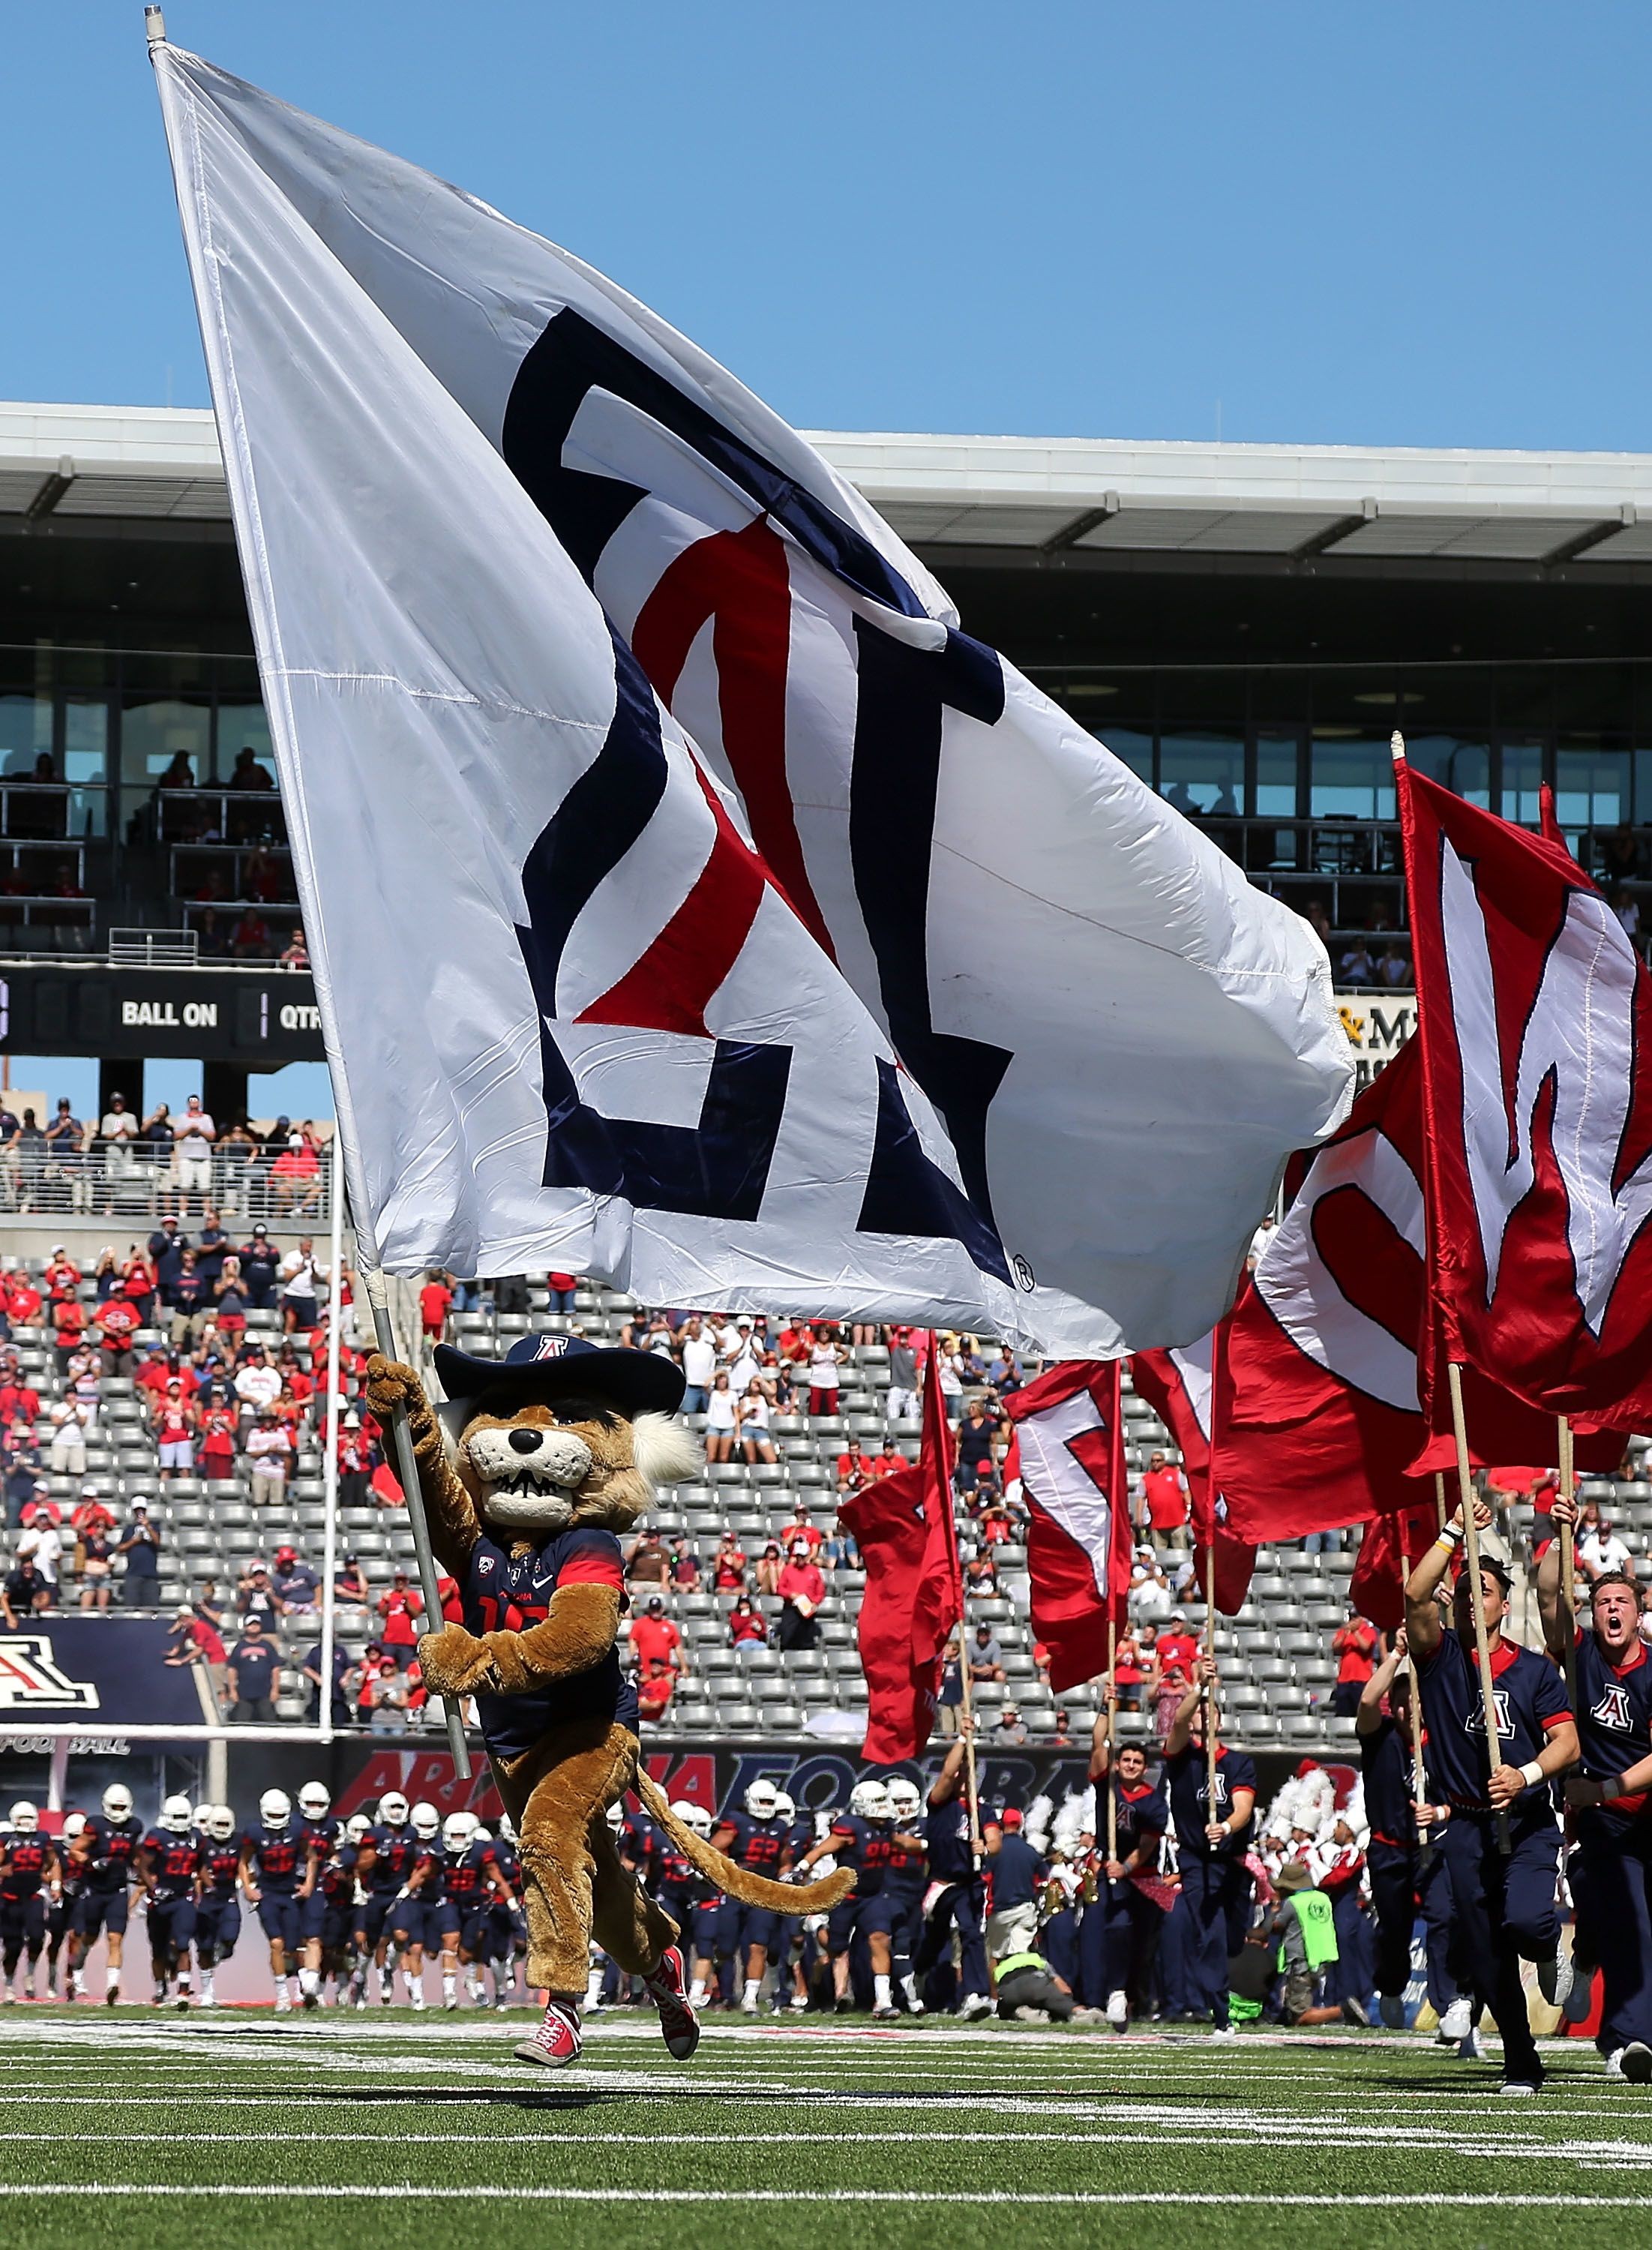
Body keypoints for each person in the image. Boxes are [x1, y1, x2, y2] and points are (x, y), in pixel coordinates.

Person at [1405, 1496, 1579, 2096]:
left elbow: (1566, 1742)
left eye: (1483, 1589)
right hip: (1468, 1828)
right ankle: (1520, 2060)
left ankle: (1548, 1945)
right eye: (1463, 1589)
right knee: (1484, 1953)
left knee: (1527, 1922)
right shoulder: (1440, 1658)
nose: (1469, 1596)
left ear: (1504, 1605)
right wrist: (1454, 1531)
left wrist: (1526, 1774)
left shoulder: (1532, 1670)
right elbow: (1412, 1594)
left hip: (1527, 1819)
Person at [1540, 1486, 1652, 2081]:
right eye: (1602, 1601)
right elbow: (1547, 1595)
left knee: (1632, 1922)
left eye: (1621, 1602)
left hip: (1633, 1806)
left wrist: (1607, 1789)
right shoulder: (1580, 1656)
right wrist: (1560, 1540)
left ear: (1638, 1611)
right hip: (1598, 1821)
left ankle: (1585, 1958)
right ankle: (1628, 2041)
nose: (1611, 1610)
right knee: (1627, 1914)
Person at [1357, 1631, 1464, 2036]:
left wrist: (1438, 1811)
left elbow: (1465, 1799)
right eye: (1399, 1701)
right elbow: (1368, 1702)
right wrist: (1398, 1654)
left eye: (1412, 1700)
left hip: (1433, 1848)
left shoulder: (1442, 1742)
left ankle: (1448, 2001)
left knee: (1443, 1919)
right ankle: (1391, 1986)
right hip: (1389, 1850)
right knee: (1395, 1930)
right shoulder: (1379, 1737)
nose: (1405, 1708)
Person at [1162, 1655, 1257, 2037]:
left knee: (1233, 1938)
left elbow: (1244, 1808)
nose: (1204, 1718)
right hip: (1196, 1858)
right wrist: (1199, 1687)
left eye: (1210, 1713)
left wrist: (1227, 1825)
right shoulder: (1181, 1757)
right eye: (1200, 1713)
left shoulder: (1237, 1762)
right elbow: (1180, 1722)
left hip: (1231, 1860)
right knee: (1211, 1935)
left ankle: (1221, 1993)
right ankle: (1221, 2015)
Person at [1086, 1710, 1169, 2024]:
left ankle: (1139, 1998)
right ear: (1118, 1763)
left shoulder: (1153, 1801)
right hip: (1109, 1869)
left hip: (1141, 1875)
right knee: (1115, 1928)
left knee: (1144, 1940)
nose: (1131, 1766)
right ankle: (1112, 1992)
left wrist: (1127, 1866)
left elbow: (1148, 1843)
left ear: (1145, 1768)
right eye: (1126, 1760)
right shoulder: (1106, 1785)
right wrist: (1108, 1710)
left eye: (1137, 1762)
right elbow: (1097, 1746)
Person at [67, 1782, 143, 2003]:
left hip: (118, 1890)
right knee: (89, 1937)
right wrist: (93, 1862)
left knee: (115, 1938)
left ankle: (112, 1984)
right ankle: (78, 1972)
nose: (119, 1813)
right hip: (95, 1890)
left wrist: (140, 1871)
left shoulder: (134, 1826)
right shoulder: (95, 1825)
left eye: (122, 1808)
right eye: (115, 1808)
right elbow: (75, 1851)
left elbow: (134, 1854)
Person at [226, 1615, 280, 1721]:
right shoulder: (240, 1647)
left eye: (256, 1624)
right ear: (246, 1627)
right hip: (244, 1693)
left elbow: (275, 1669)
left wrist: (275, 1689)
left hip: (265, 1692)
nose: (254, 1627)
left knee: (269, 1722)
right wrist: (232, 1690)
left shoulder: (267, 1646)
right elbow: (232, 1669)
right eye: (251, 1624)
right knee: (242, 1722)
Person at [1331, 1606, 1383, 1718]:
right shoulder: (1343, 1632)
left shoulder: (1368, 1631)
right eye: (1351, 1617)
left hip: (1361, 1679)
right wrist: (1345, 1633)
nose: (1353, 1620)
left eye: (1356, 1617)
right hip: (1344, 1679)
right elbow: (1335, 1647)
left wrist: (1356, 1633)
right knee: (1343, 1713)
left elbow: (1366, 1646)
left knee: (1361, 1713)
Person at [775, 1540, 824, 1652]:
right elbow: (780, 1588)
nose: (800, 1558)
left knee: (806, 1642)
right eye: (798, 1556)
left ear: (807, 1556)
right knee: (788, 1637)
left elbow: (820, 1591)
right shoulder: (788, 1570)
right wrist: (790, 1594)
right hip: (791, 1609)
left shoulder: (814, 1571)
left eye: (802, 1556)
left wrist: (815, 1603)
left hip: (807, 1611)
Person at [1138, 1450, 1189, 1552]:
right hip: (1158, 1524)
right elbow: (1141, 1498)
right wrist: (1139, 1516)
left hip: (1177, 1521)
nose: (1155, 1463)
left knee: (1181, 1550)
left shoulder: (1176, 1474)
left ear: (1164, 1461)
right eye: (1153, 1461)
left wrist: (1189, 1507)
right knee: (1159, 1554)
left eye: (1158, 1460)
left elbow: (1186, 1490)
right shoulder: (1146, 1479)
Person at [116, 1498, 162, 1606]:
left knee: (151, 1609)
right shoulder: (129, 1529)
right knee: (131, 1607)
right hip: (133, 1574)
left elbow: (157, 1542)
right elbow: (120, 1548)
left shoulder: (154, 1526)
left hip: (150, 1574)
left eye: (142, 1510)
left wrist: (148, 1526)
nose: (140, 1512)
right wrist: (133, 1541)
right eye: (137, 1510)